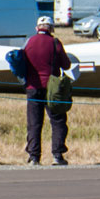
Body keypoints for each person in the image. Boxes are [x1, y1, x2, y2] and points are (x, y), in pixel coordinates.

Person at [21, 15, 71, 165]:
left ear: (37, 28)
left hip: (32, 87)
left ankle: (34, 157)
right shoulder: (55, 42)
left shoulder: (29, 42)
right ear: (51, 29)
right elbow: (66, 65)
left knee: (34, 123)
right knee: (58, 121)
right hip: (52, 89)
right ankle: (57, 155)